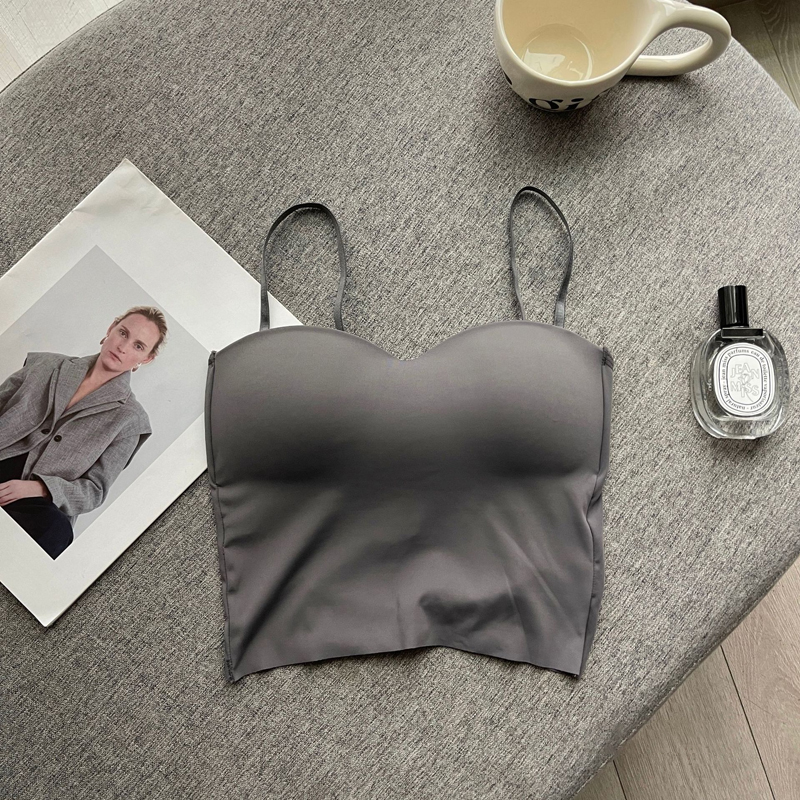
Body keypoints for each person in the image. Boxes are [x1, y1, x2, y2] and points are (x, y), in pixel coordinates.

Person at [0, 306, 168, 559]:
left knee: (56, 531)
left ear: (146, 359)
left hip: (33, 501)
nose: (123, 347)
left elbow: (94, 490)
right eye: (123, 333)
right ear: (110, 329)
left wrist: (39, 488)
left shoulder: (131, 421)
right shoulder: (45, 364)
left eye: (138, 346)